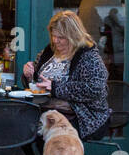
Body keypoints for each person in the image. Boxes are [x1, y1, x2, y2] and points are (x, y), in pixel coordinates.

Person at [23, 11, 112, 143]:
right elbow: (36, 81)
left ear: (73, 36)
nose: (55, 40)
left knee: (45, 132)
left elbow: (96, 89)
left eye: (61, 37)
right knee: (18, 126)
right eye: (53, 36)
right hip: (46, 109)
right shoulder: (50, 51)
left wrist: (56, 88)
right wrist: (28, 74)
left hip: (83, 116)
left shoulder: (88, 56)